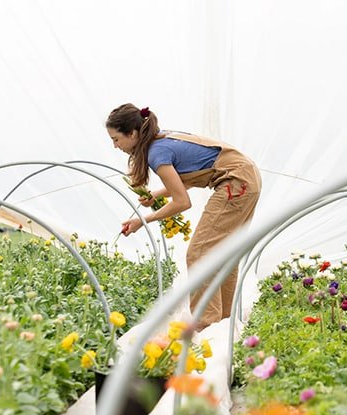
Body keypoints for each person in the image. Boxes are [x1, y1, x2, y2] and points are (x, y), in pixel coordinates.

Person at [106, 103, 261, 330]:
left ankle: (206, 326)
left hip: (235, 183)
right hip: (246, 177)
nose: (115, 145)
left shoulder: (156, 152)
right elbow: (185, 181)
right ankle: (225, 326)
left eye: (116, 139)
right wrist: (157, 194)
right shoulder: (163, 139)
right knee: (225, 253)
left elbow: (182, 202)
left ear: (132, 134)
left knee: (198, 253)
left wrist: (143, 221)